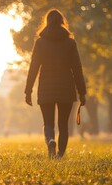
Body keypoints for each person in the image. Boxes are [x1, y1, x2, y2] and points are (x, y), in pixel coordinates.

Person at [24, 9, 86, 159]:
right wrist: (82, 92)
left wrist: (28, 90)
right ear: (62, 22)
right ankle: (60, 155)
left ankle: (51, 141)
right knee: (63, 125)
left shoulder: (40, 42)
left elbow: (34, 67)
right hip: (66, 88)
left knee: (48, 123)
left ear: (47, 22)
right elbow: (77, 69)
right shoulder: (70, 42)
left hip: (46, 88)